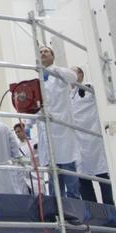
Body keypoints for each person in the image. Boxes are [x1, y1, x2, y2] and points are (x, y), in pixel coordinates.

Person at [35, 47, 80, 199]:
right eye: (40, 52)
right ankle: (57, 212)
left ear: (53, 56)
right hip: (48, 132)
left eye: (46, 51)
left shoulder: (59, 74)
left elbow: (73, 77)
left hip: (62, 130)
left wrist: (54, 71)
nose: (43, 53)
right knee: (54, 181)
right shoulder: (39, 80)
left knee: (70, 175)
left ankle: (75, 211)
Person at [71, 67, 113, 205]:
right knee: (83, 179)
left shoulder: (90, 88)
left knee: (103, 177)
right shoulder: (68, 96)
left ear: (81, 74)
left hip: (94, 140)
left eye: (73, 72)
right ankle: (93, 213)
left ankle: (111, 214)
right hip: (78, 144)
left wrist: (89, 89)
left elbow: (108, 95)